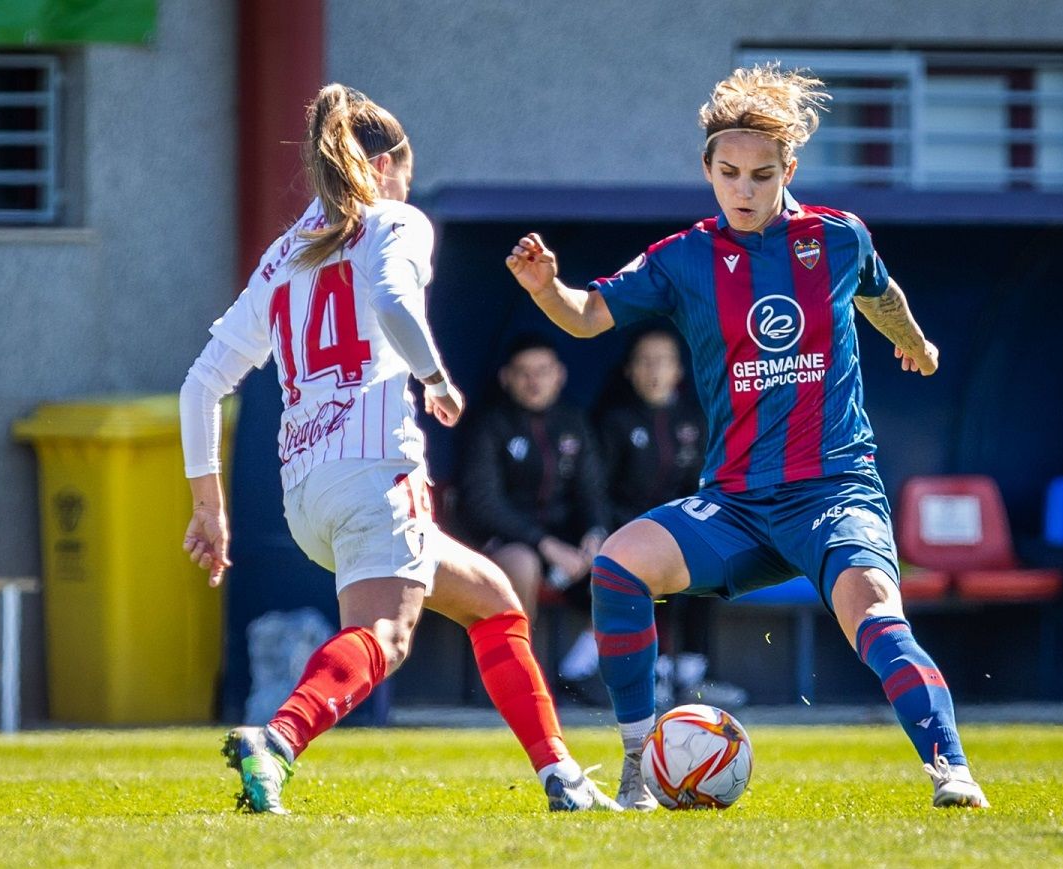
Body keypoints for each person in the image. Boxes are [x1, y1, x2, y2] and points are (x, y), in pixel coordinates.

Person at [505, 63, 989, 811]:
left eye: (761, 175)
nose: (744, 189)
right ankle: (639, 763)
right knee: (618, 566)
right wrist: (547, 291)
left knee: (875, 611)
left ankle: (951, 769)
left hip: (831, 491)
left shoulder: (837, 238)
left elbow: (881, 294)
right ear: (707, 170)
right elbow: (587, 315)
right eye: (728, 173)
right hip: (734, 503)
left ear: (787, 169)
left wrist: (916, 343)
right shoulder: (684, 257)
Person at [179, 84, 618, 814]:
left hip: (306, 490)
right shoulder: (395, 221)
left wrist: (209, 508)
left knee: (495, 600)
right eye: (406, 173)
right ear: (386, 164)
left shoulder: (283, 253)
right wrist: (436, 380)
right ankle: (278, 739)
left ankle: (562, 777)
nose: (407, 186)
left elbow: (201, 386)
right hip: (376, 470)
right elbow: (389, 298)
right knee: (386, 633)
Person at [597, 328, 747, 709]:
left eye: (662, 361)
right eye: (645, 361)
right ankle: (655, 671)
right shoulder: (611, 420)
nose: (654, 370)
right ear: (629, 369)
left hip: (683, 529)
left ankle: (694, 676)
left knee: (713, 561)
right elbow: (597, 491)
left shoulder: (694, 420)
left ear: (678, 370)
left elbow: (710, 484)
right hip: (627, 533)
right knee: (649, 570)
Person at [460, 335, 610, 700]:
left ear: (559, 375)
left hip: (565, 549)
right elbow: (483, 505)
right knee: (524, 565)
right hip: (503, 544)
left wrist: (595, 534)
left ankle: (585, 672)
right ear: (506, 378)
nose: (534, 381)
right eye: (523, 373)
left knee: (623, 562)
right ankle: (516, 685)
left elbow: (593, 493)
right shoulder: (490, 425)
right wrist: (545, 545)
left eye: (542, 372)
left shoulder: (573, 421)